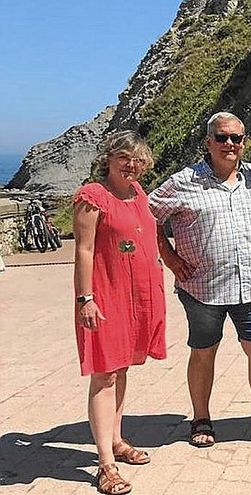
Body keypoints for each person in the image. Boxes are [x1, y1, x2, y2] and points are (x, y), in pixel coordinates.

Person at [148, 112, 251, 452]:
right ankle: (201, 418)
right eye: (222, 138)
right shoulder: (184, 182)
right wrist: (170, 258)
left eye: (237, 138)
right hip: (202, 288)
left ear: (244, 143)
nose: (229, 144)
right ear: (208, 142)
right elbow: (146, 215)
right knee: (204, 353)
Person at [73, 130, 166, 494]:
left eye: (139, 159)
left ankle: (116, 440)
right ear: (108, 158)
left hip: (137, 297)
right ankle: (105, 465)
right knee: (104, 375)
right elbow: (83, 250)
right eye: (125, 158)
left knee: (121, 367)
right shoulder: (93, 196)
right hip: (106, 296)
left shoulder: (137, 193)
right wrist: (86, 299)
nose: (132, 165)